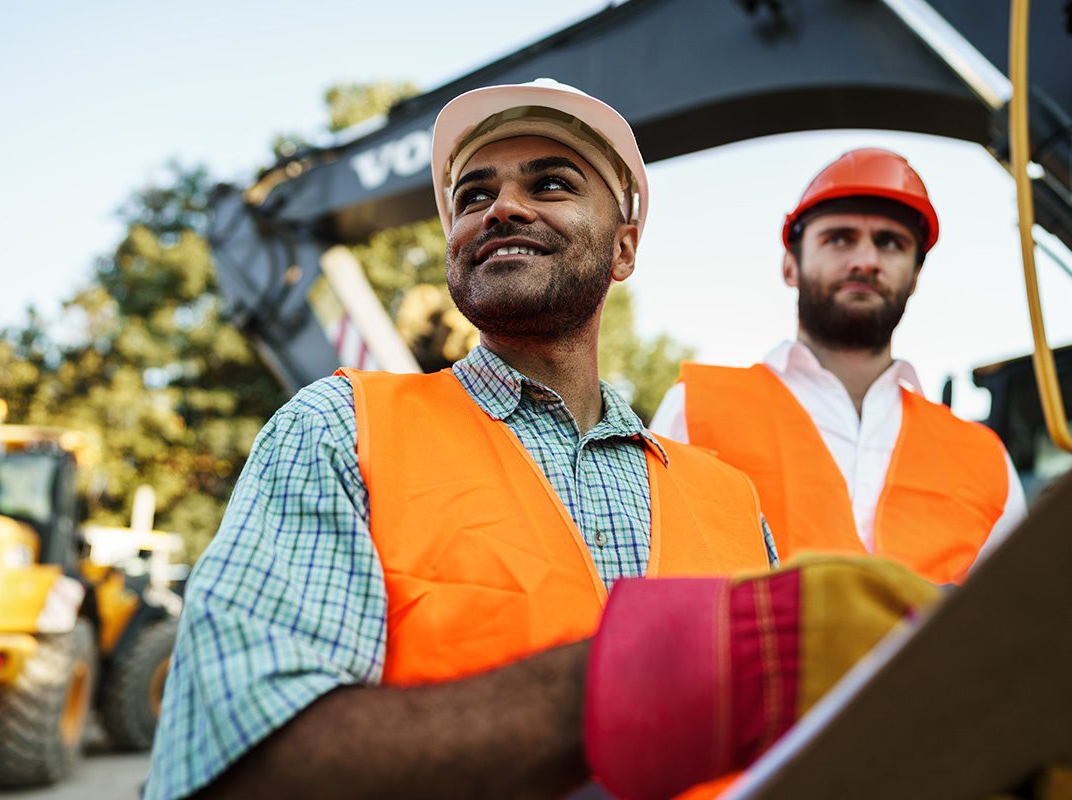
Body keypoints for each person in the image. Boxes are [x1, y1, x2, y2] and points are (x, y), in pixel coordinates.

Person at [145, 85, 938, 800]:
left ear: (624, 248)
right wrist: (687, 669)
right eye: (474, 194)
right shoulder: (338, 431)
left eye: (550, 183)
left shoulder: (728, 497)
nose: (502, 208)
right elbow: (232, 766)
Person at [652, 148, 1026, 584]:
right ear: (790, 264)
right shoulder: (695, 409)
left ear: (916, 276)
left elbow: (1017, 621)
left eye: (890, 242)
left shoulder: (987, 460)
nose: (865, 260)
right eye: (840, 238)